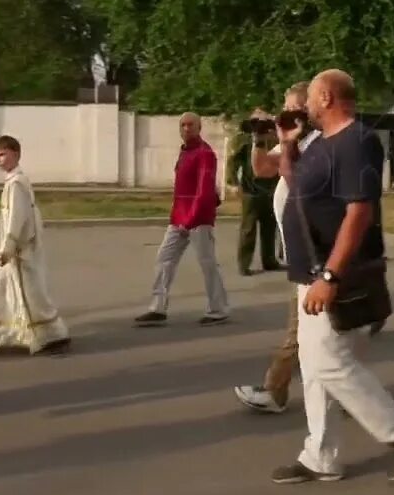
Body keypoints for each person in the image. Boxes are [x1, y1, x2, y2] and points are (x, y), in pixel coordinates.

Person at [272, 69, 394, 484]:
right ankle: (321, 455)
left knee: (329, 360)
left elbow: (359, 212)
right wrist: (288, 146)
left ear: (326, 97)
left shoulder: (356, 142)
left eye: (309, 97)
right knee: (314, 364)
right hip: (309, 271)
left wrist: (331, 275)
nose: (303, 106)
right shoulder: (321, 144)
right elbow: (295, 184)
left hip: (335, 273)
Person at [234, 83, 320, 414]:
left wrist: (286, 142)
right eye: (283, 109)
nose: (286, 115)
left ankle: (275, 391)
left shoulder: (316, 144)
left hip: (314, 257)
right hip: (302, 256)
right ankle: (341, 390)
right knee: (326, 337)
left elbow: (292, 172)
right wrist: (259, 137)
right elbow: (261, 169)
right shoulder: (295, 142)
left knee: (301, 333)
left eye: (294, 108)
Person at [0, 135, 70, 356]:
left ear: (16, 154)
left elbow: (18, 217)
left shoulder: (17, 183)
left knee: (28, 294)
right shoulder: (14, 181)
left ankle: (52, 335)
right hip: (16, 249)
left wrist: (9, 246)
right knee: (7, 292)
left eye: (2, 155)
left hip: (18, 251)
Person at [135, 112, 231, 327]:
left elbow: (204, 190)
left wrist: (192, 217)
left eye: (191, 125)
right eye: (183, 125)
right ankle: (157, 307)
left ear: (199, 127)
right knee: (164, 258)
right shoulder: (185, 152)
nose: (186, 129)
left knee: (207, 263)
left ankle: (218, 308)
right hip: (179, 216)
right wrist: (178, 216)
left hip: (199, 218)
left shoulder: (204, 153)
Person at [229, 109, 281, 276]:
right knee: (248, 228)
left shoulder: (275, 139)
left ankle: (270, 260)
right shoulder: (245, 141)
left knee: (270, 227)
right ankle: (244, 265)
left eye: (262, 123)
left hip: (270, 189)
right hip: (250, 190)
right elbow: (233, 162)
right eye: (256, 123)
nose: (259, 127)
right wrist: (233, 182)